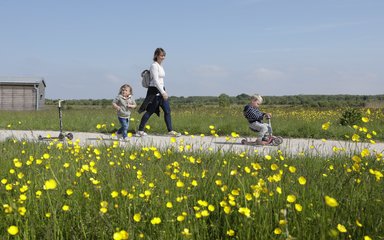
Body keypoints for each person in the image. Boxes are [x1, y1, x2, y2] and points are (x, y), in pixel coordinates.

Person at [137, 47, 180, 137]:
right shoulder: (154, 66)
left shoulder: (160, 66)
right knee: (150, 111)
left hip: (161, 89)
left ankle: (170, 131)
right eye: (161, 55)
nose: (163, 57)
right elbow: (156, 81)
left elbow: (161, 81)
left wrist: (164, 90)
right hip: (154, 91)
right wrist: (163, 92)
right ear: (156, 55)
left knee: (167, 111)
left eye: (164, 55)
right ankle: (140, 130)